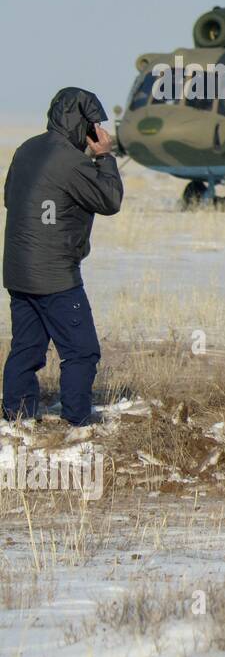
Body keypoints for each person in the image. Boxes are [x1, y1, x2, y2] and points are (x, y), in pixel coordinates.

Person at [2, 88, 123, 426]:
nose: (95, 130)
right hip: (54, 276)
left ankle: (17, 420)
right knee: (82, 351)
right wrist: (105, 157)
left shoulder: (26, 149)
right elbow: (110, 200)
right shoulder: (71, 161)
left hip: (17, 271)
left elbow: (10, 197)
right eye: (93, 123)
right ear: (81, 123)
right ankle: (77, 423)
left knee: (26, 349)